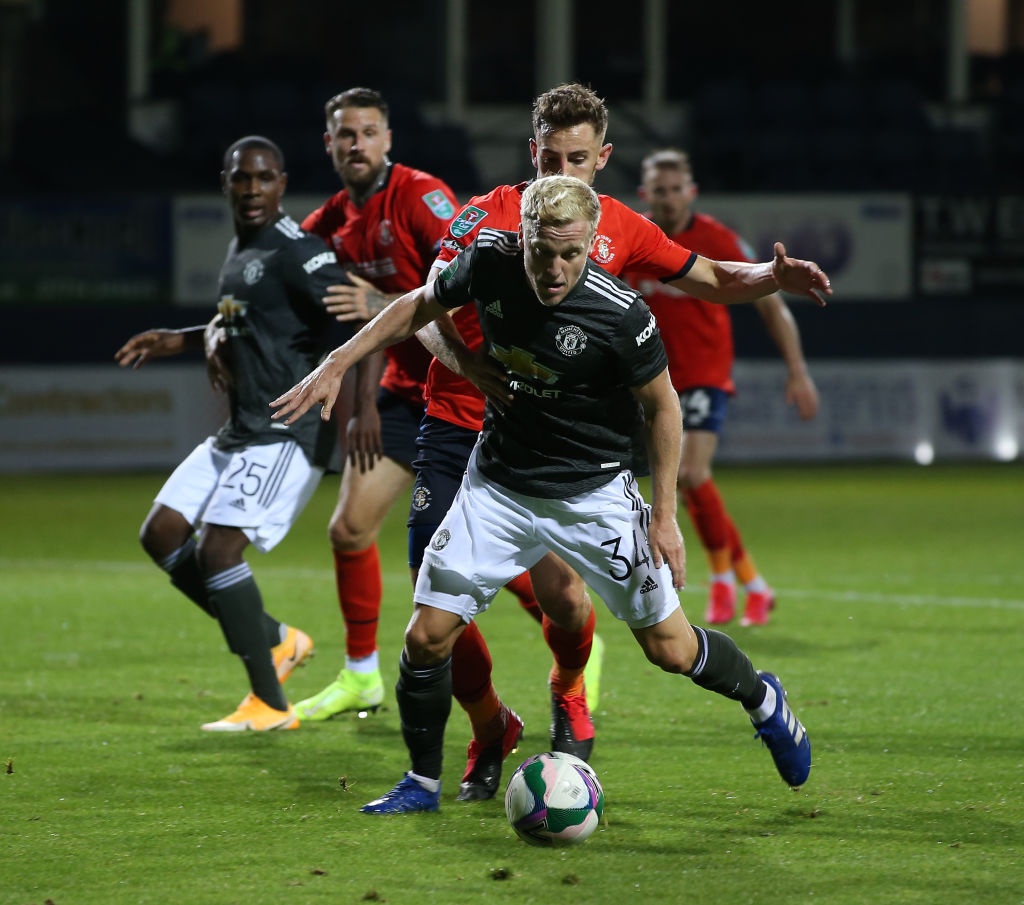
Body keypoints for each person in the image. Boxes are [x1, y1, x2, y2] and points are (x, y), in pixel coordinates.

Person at [271, 175, 826, 813]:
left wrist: (665, 519)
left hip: (594, 493)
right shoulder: (490, 260)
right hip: (499, 487)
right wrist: (336, 363)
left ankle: (763, 699)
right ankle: (421, 784)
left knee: (670, 649)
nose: (555, 269)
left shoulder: (621, 315)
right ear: (521, 237)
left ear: (593, 241)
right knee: (425, 637)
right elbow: (416, 305)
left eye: (571, 253)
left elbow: (664, 410)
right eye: (542, 251)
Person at [407, 82, 828, 801]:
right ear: (530, 152)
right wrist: (469, 365)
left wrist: (768, 278)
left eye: (577, 159)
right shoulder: (486, 222)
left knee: (602, 617)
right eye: (549, 158)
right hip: (469, 433)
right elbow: (421, 307)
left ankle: (722, 696)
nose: (561, 174)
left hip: (585, 462)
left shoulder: (621, 229)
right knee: (430, 624)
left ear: (601, 158)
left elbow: (713, 277)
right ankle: (451, 754)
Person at [114, 135, 353, 731]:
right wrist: (183, 338)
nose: (252, 189)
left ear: (281, 183)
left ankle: (271, 704)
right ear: (226, 183)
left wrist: (360, 407)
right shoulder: (240, 248)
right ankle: (274, 637)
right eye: (241, 178)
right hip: (239, 430)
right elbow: (247, 321)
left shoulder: (298, 251)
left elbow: (355, 318)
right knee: (162, 534)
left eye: (264, 178)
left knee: (219, 549)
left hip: (285, 430)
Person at [625, 148, 820, 627]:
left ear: (691, 192)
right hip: (653, 383)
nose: (668, 199)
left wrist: (797, 369)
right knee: (688, 485)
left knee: (690, 473)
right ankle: (754, 583)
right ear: (644, 194)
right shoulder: (635, 239)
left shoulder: (715, 238)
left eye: (676, 190)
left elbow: (772, 305)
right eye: (659, 191)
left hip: (705, 376)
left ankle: (724, 583)